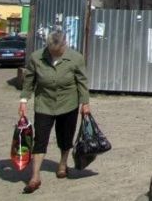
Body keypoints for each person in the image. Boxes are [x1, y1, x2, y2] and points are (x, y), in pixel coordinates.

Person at [18, 29, 91, 194]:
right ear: (48, 46)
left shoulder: (75, 58)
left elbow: (82, 81)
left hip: (68, 103)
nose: (55, 53)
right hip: (44, 103)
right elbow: (29, 79)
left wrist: (85, 103)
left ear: (65, 44)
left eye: (58, 50)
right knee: (40, 138)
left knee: (65, 136)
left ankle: (63, 164)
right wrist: (24, 100)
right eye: (52, 50)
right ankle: (35, 176)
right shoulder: (37, 57)